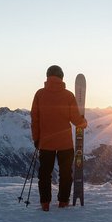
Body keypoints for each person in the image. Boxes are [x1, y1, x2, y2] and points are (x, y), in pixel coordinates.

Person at [30, 65, 87, 211]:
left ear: (47, 76)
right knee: (66, 173)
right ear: (61, 77)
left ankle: (45, 203)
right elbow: (74, 118)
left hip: (46, 142)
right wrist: (83, 122)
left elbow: (35, 119)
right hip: (65, 143)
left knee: (45, 174)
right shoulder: (67, 95)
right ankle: (63, 201)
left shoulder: (39, 94)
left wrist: (36, 139)